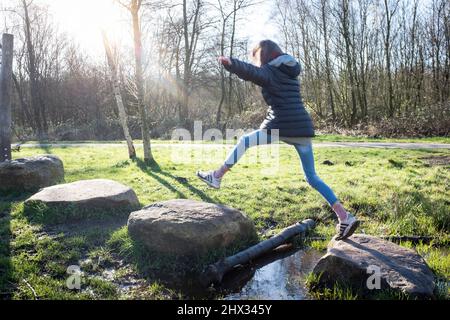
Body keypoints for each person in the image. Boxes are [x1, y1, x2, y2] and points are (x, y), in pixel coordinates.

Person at [197, 40, 359, 240]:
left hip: (283, 125)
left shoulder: (270, 71)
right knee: (312, 177)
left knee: (245, 141)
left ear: (264, 55)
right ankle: (344, 216)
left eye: (256, 57)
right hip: (302, 127)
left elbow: (251, 72)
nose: (256, 62)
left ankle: (217, 176)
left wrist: (231, 64)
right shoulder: (289, 70)